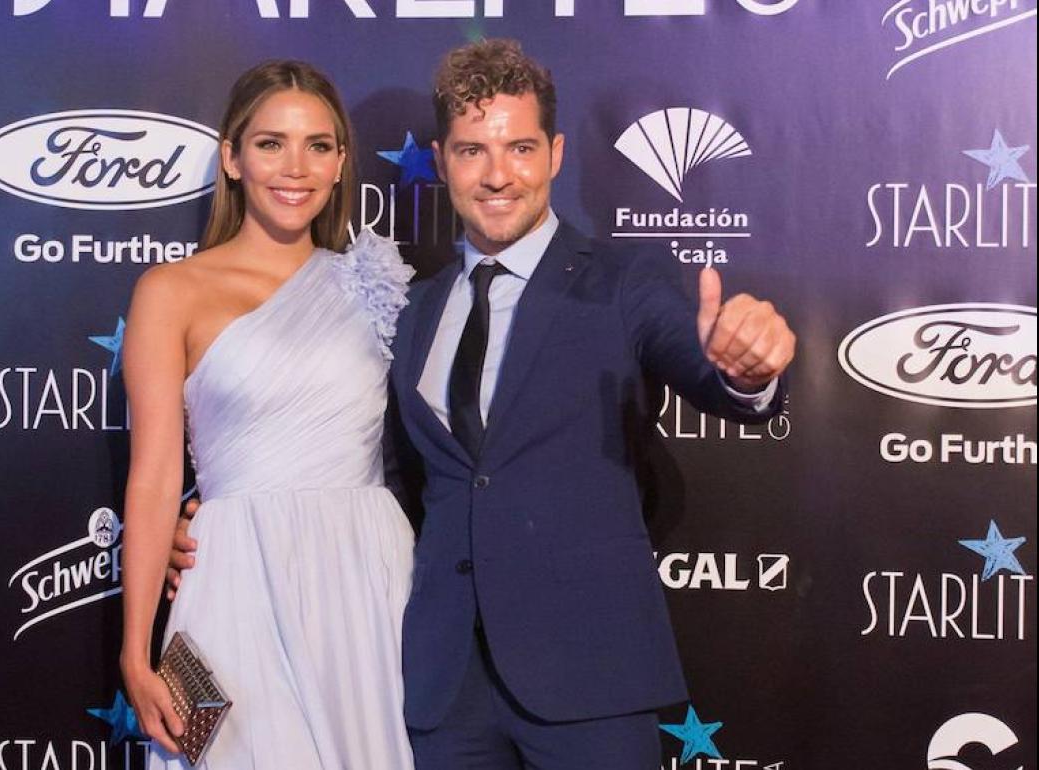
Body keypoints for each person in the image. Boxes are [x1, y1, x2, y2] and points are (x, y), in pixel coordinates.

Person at [171, 39, 795, 769]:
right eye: (473, 151)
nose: (498, 175)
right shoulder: (411, 308)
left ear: (555, 155)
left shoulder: (623, 279)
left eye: (520, 148)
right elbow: (368, 462)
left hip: (589, 678)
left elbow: (704, 364)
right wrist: (224, 519)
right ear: (442, 162)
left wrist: (747, 373)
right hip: (440, 690)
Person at [120, 60, 417, 770]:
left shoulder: (375, 283)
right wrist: (135, 651)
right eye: (270, 143)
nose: (296, 168)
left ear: (341, 163)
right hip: (235, 576)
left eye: (318, 145)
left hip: (367, 579)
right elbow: (154, 478)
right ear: (232, 157)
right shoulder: (171, 291)